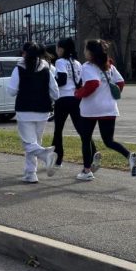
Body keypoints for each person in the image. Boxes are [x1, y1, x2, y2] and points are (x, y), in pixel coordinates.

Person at [73, 39, 136, 181]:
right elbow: (120, 82)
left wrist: (78, 93)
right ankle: (130, 156)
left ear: (90, 54)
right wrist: (110, 96)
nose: (84, 52)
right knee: (109, 141)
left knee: (85, 139)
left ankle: (87, 171)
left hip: (91, 108)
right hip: (109, 108)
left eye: (85, 49)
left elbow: (92, 84)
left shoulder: (88, 67)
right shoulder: (109, 66)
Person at [8, 42, 59, 184]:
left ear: (24, 52)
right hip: (43, 110)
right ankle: (31, 173)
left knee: (29, 143)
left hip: (24, 109)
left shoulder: (19, 68)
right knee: (35, 141)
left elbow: (11, 91)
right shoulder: (46, 68)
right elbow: (55, 91)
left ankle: (45, 155)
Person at [50, 37, 82, 171]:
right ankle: (92, 153)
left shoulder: (60, 62)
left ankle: (57, 159)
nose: (56, 50)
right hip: (75, 99)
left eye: (57, 47)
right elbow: (79, 83)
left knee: (58, 130)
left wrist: (53, 81)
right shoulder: (77, 63)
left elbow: (62, 81)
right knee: (81, 129)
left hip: (63, 99)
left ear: (62, 49)